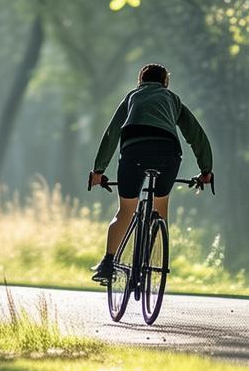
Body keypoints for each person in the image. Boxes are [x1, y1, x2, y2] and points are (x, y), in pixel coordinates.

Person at [87, 63, 213, 284]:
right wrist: (206, 170)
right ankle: (147, 260)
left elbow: (112, 133)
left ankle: (107, 263)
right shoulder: (173, 99)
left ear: (140, 81)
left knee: (125, 211)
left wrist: (99, 170)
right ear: (165, 81)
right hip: (168, 154)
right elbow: (196, 134)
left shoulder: (132, 97)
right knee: (160, 208)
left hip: (133, 152)